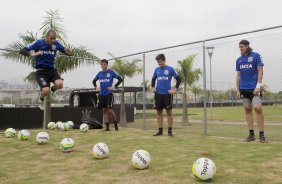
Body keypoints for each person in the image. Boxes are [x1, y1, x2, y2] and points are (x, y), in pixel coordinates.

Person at [19, 30, 72, 110]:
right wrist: (30, 53)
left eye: (54, 38)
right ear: (46, 37)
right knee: (45, 90)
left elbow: (65, 51)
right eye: (51, 38)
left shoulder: (56, 44)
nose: (53, 40)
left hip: (52, 70)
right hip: (41, 72)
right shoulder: (38, 43)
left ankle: (53, 91)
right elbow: (22, 51)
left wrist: (69, 52)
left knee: (60, 84)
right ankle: (41, 99)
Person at [236, 40, 268, 143]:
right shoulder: (239, 60)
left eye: (242, 46)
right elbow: (238, 76)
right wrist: (238, 90)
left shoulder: (256, 56)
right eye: (239, 47)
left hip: (254, 89)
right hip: (243, 89)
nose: (240, 48)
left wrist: (258, 86)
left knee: (258, 108)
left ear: (247, 46)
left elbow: (260, 71)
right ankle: (251, 135)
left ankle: (262, 136)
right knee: (247, 109)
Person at [151, 54, 181, 137]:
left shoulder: (170, 69)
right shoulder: (156, 69)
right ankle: (160, 131)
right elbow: (153, 79)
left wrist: (175, 89)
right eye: (158, 62)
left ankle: (170, 131)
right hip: (158, 94)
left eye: (160, 62)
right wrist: (153, 87)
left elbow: (179, 79)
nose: (159, 63)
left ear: (164, 60)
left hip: (167, 94)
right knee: (159, 112)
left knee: (169, 112)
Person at [92, 59, 123, 131]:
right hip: (101, 94)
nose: (103, 65)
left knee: (110, 110)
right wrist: (96, 87)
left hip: (109, 94)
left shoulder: (111, 72)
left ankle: (115, 124)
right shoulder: (99, 73)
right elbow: (93, 81)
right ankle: (107, 128)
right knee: (104, 110)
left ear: (107, 65)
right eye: (102, 64)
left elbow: (120, 79)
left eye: (104, 64)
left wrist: (114, 87)